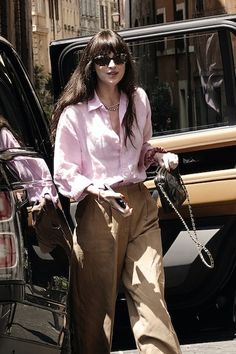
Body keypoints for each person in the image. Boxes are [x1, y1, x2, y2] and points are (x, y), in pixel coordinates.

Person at [51, 29, 182, 354]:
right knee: (96, 316)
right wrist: (96, 188)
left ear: (126, 61)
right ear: (91, 65)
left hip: (140, 206)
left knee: (152, 302)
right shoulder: (75, 115)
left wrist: (159, 156)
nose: (112, 64)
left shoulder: (137, 99)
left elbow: (141, 149)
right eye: (103, 59)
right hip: (99, 211)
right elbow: (65, 173)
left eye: (119, 57)